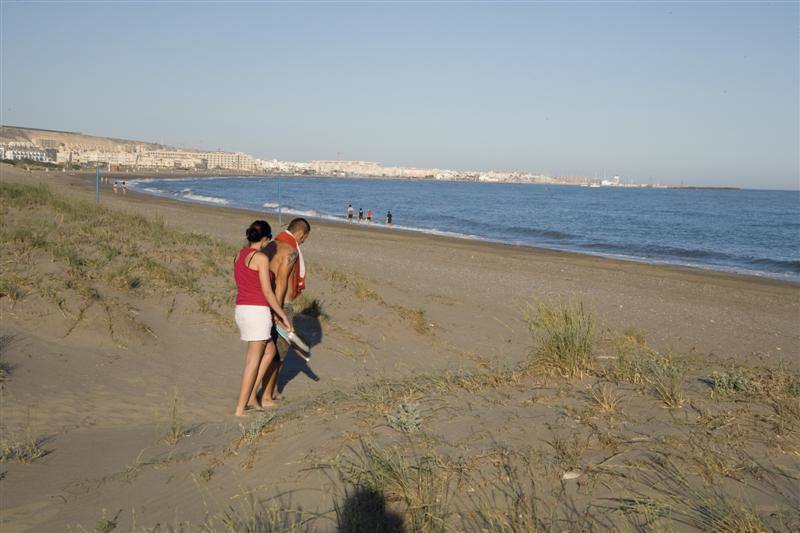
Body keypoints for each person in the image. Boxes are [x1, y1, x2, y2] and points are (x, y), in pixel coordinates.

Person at [249, 217, 311, 407]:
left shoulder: (270, 245)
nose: (303, 242)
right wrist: (278, 310)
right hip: (280, 303)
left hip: (262, 301)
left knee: (262, 351)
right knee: (278, 354)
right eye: (304, 238)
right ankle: (265, 396)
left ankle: (267, 391)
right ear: (300, 234)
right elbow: (282, 282)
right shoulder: (289, 251)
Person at [233, 220, 292, 417]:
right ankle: (240, 408)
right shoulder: (261, 258)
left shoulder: (239, 254)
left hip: (242, 309)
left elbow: (243, 282)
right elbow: (267, 292)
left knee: (270, 350)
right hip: (257, 312)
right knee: (253, 361)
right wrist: (282, 315)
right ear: (266, 238)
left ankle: (250, 398)